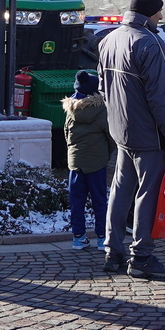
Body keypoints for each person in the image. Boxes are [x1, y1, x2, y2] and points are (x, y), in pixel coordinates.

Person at [98, 0, 165, 279]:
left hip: (121, 130)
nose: (161, 16)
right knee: (147, 194)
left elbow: (103, 87)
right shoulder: (149, 42)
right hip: (149, 135)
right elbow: (161, 97)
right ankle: (142, 256)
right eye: (159, 11)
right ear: (149, 13)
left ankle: (113, 251)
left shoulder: (109, 39)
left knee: (120, 191)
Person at [62, 70, 111, 251]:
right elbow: (110, 136)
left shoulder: (71, 110)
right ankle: (102, 238)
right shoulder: (102, 110)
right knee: (99, 201)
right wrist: (105, 153)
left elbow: (67, 134)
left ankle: (78, 238)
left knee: (76, 201)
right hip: (97, 162)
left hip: (75, 163)